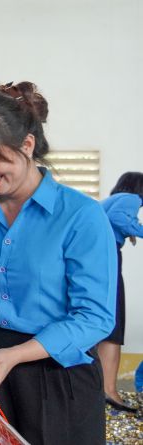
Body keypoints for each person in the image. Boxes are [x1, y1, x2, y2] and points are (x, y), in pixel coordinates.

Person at [0, 82, 116, 444]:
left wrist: (17, 354)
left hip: (57, 372)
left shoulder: (80, 216)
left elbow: (95, 317)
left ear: (27, 145)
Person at [97, 171, 143, 412]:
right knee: (115, 321)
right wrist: (137, 228)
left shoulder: (113, 199)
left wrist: (132, 230)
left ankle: (104, 389)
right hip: (108, 258)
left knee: (106, 319)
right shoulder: (131, 198)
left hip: (98, 257)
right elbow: (119, 218)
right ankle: (109, 390)